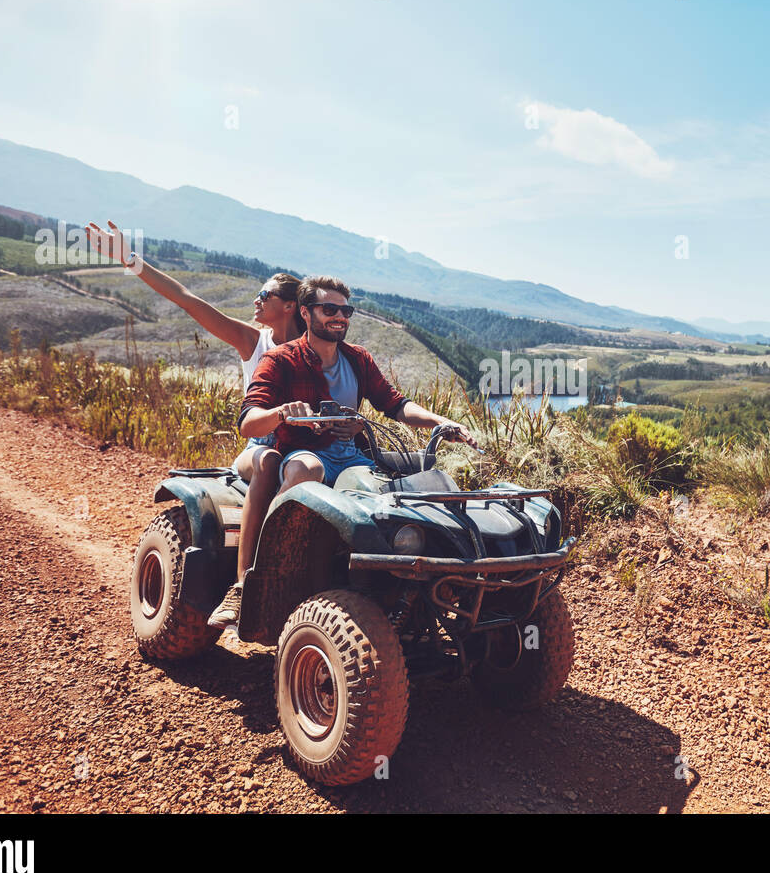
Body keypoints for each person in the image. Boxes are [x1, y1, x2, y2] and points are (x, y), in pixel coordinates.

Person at [206, 273, 478, 627]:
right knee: (304, 471)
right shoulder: (280, 360)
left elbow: (394, 404)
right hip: (305, 452)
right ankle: (261, 572)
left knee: (402, 492)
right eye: (329, 309)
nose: (340, 317)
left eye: (346, 311)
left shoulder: (358, 359)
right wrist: (279, 413)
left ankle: (408, 582)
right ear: (305, 312)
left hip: (352, 457)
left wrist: (441, 421)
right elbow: (249, 420)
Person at [83, 220, 305, 614]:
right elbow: (187, 299)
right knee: (270, 462)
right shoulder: (252, 341)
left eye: (263, 294)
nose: (255, 300)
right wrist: (130, 260)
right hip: (262, 446)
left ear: (288, 305)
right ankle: (244, 585)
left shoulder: (313, 348)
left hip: (305, 447)